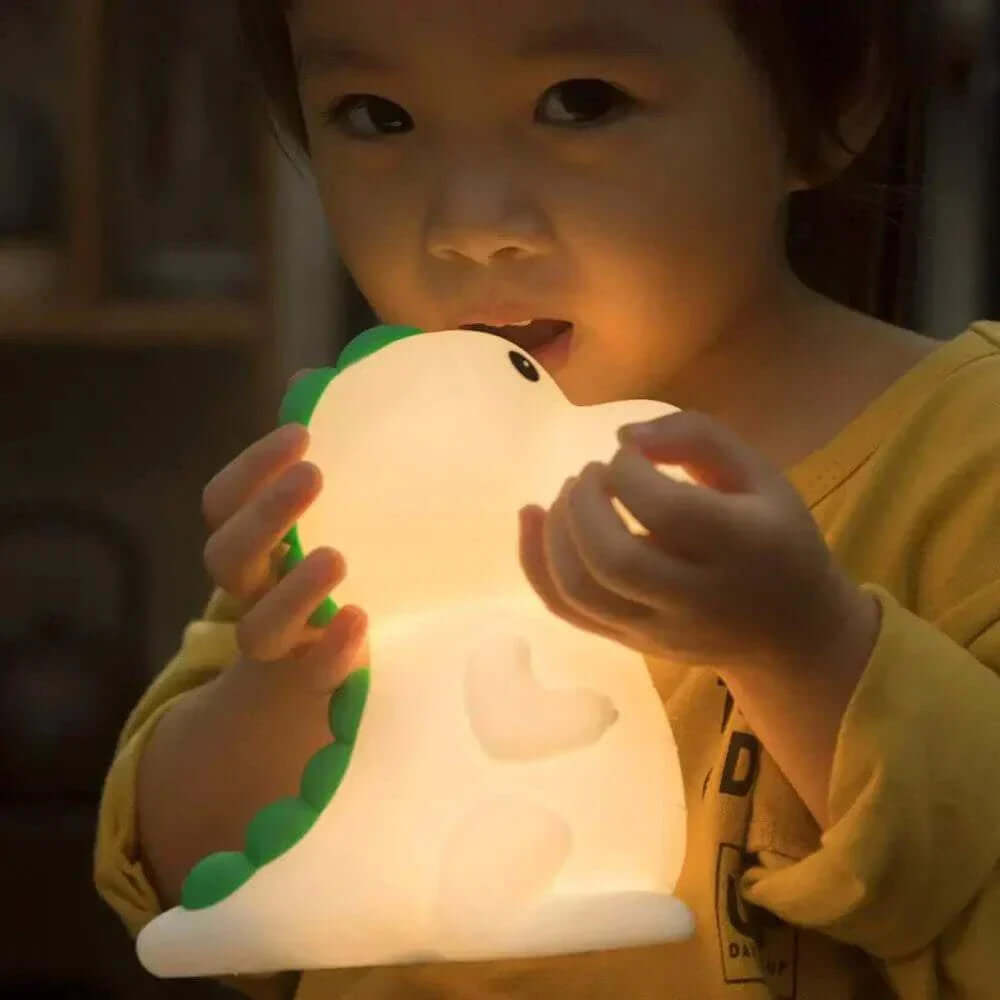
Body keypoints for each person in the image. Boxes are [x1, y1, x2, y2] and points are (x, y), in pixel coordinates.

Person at [94, 1, 1000, 997]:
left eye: (580, 102)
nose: (467, 225)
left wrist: (804, 649)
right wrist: (288, 678)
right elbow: (177, 877)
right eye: (376, 115)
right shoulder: (373, 472)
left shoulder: (966, 455)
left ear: (827, 105)